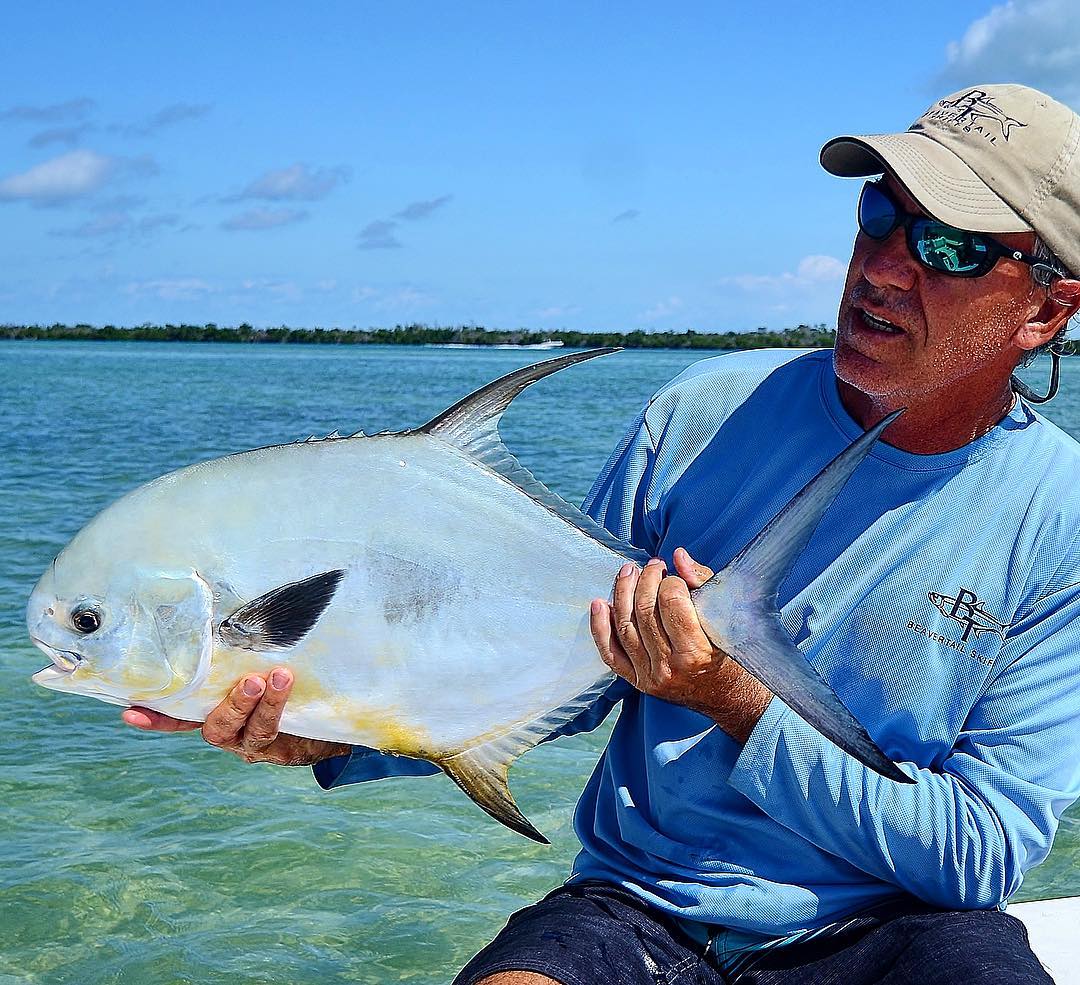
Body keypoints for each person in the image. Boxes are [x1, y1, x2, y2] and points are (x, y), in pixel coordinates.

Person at [125, 84, 1080, 984]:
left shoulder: (1061, 516)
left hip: (899, 923)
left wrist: (732, 697)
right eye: (880, 214)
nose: (883, 265)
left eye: (950, 246)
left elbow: (976, 856)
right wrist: (325, 735)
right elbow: (567, 676)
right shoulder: (702, 413)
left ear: (1046, 308)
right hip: (641, 905)